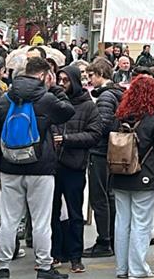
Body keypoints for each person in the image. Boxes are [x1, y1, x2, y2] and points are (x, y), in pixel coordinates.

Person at [0, 57, 75, 279]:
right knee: (41, 220)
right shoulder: (46, 99)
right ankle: (44, 267)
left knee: (8, 218)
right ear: (45, 75)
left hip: (10, 166)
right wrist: (55, 88)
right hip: (40, 167)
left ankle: (2, 267)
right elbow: (68, 111)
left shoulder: (4, 99)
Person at [109, 75, 154, 279]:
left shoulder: (119, 116)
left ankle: (122, 269)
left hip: (119, 175)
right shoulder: (153, 118)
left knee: (122, 222)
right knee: (141, 224)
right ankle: (137, 269)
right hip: (146, 177)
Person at [51, 64, 102, 273]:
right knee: (52, 212)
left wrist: (67, 139)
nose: (62, 84)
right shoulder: (53, 101)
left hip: (74, 165)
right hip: (53, 165)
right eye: (59, 79)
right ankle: (55, 252)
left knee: (75, 213)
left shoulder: (88, 105)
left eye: (66, 80)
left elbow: (94, 134)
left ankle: (75, 256)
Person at [83, 59, 123, 258]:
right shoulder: (115, 93)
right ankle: (111, 238)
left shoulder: (106, 96)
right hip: (110, 150)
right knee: (109, 196)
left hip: (100, 151)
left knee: (100, 197)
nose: (89, 80)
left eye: (91, 75)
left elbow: (103, 124)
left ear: (100, 73)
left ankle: (104, 240)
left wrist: (89, 135)